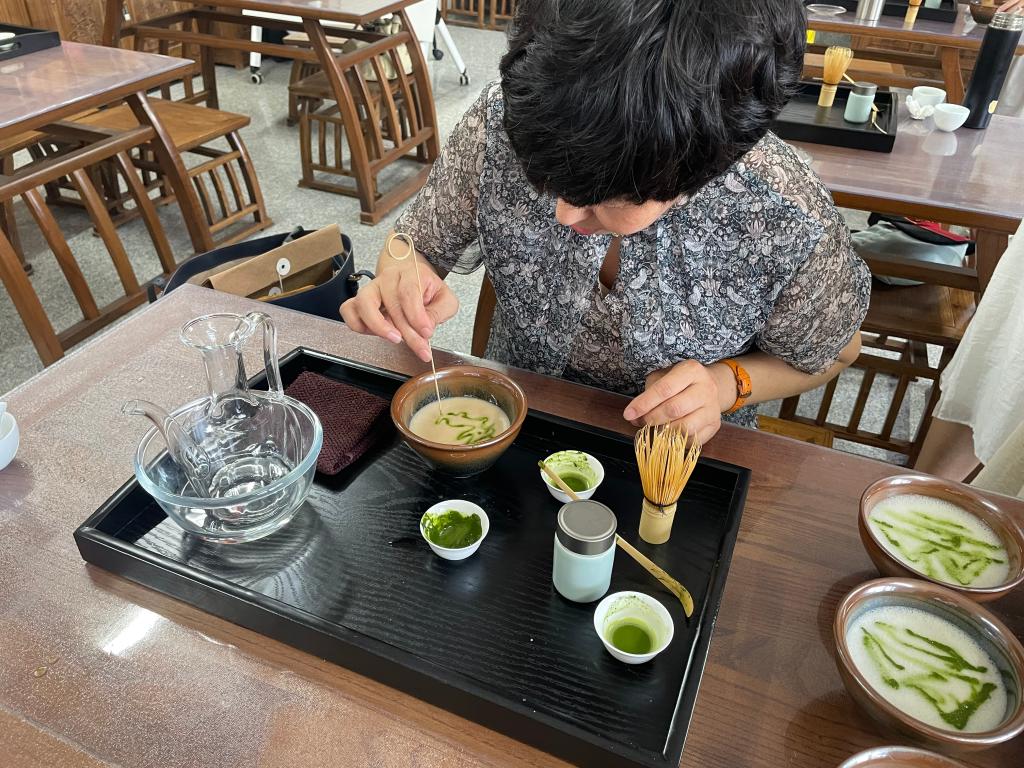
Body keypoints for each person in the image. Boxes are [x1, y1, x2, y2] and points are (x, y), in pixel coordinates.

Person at [342, 0, 871, 444]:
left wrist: (725, 383)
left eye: (602, 196)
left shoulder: (783, 210)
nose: (563, 213)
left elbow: (837, 351)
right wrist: (401, 271)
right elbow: (415, 243)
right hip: (514, 419)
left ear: (703, 168)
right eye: (547, 179)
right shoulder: (502, 118)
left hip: (676, 456)